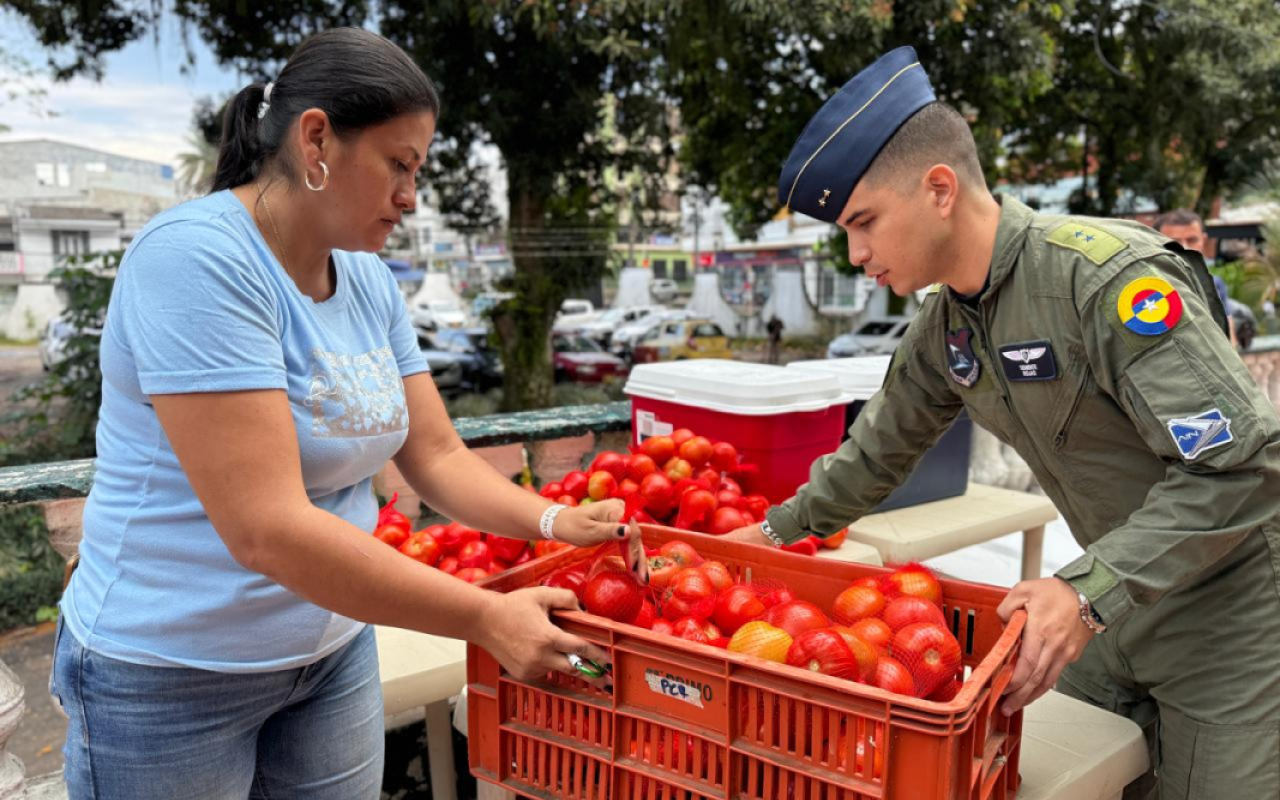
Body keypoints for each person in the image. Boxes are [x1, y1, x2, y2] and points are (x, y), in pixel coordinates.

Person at [50, 28, 629, 800]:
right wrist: (485, 617)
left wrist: (558, 523)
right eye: (399, 164)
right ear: (316, 138)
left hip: (330, 653)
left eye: (417, 171)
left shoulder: (365, 280)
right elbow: (268, 528)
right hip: (168, 678)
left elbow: (437, 457)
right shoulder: (195, 261)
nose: (411, 196)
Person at [728, 46, 1280, 800]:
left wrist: (1086, 593)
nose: (857, 256)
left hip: (1232, 622)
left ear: (940, 189)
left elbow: (1244, 464)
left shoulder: (1104, 281)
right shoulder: (947, 323)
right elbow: (876, 455)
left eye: (865, 223)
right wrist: (766, 538)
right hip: (1113, 615)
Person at [1154, 208, 1237, 347]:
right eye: (1174, 243)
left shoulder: (1214, 285)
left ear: (1203, 241)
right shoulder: (1145, 286)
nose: (1184, 248)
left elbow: (1228, 336)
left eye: (1192, 240)